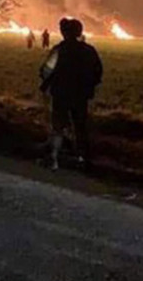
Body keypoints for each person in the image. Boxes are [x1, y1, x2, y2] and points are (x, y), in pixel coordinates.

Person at [39, 17, 103, 171]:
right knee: (80, 126)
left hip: (61, 94)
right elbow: (98, 71)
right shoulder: (89, 51)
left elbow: (46, 71)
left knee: (58, 126)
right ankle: (83, 157)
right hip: (81, 96)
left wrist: (47, 81)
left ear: (65, 33)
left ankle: (55, 157)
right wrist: (88, 87)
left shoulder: (59, 50)